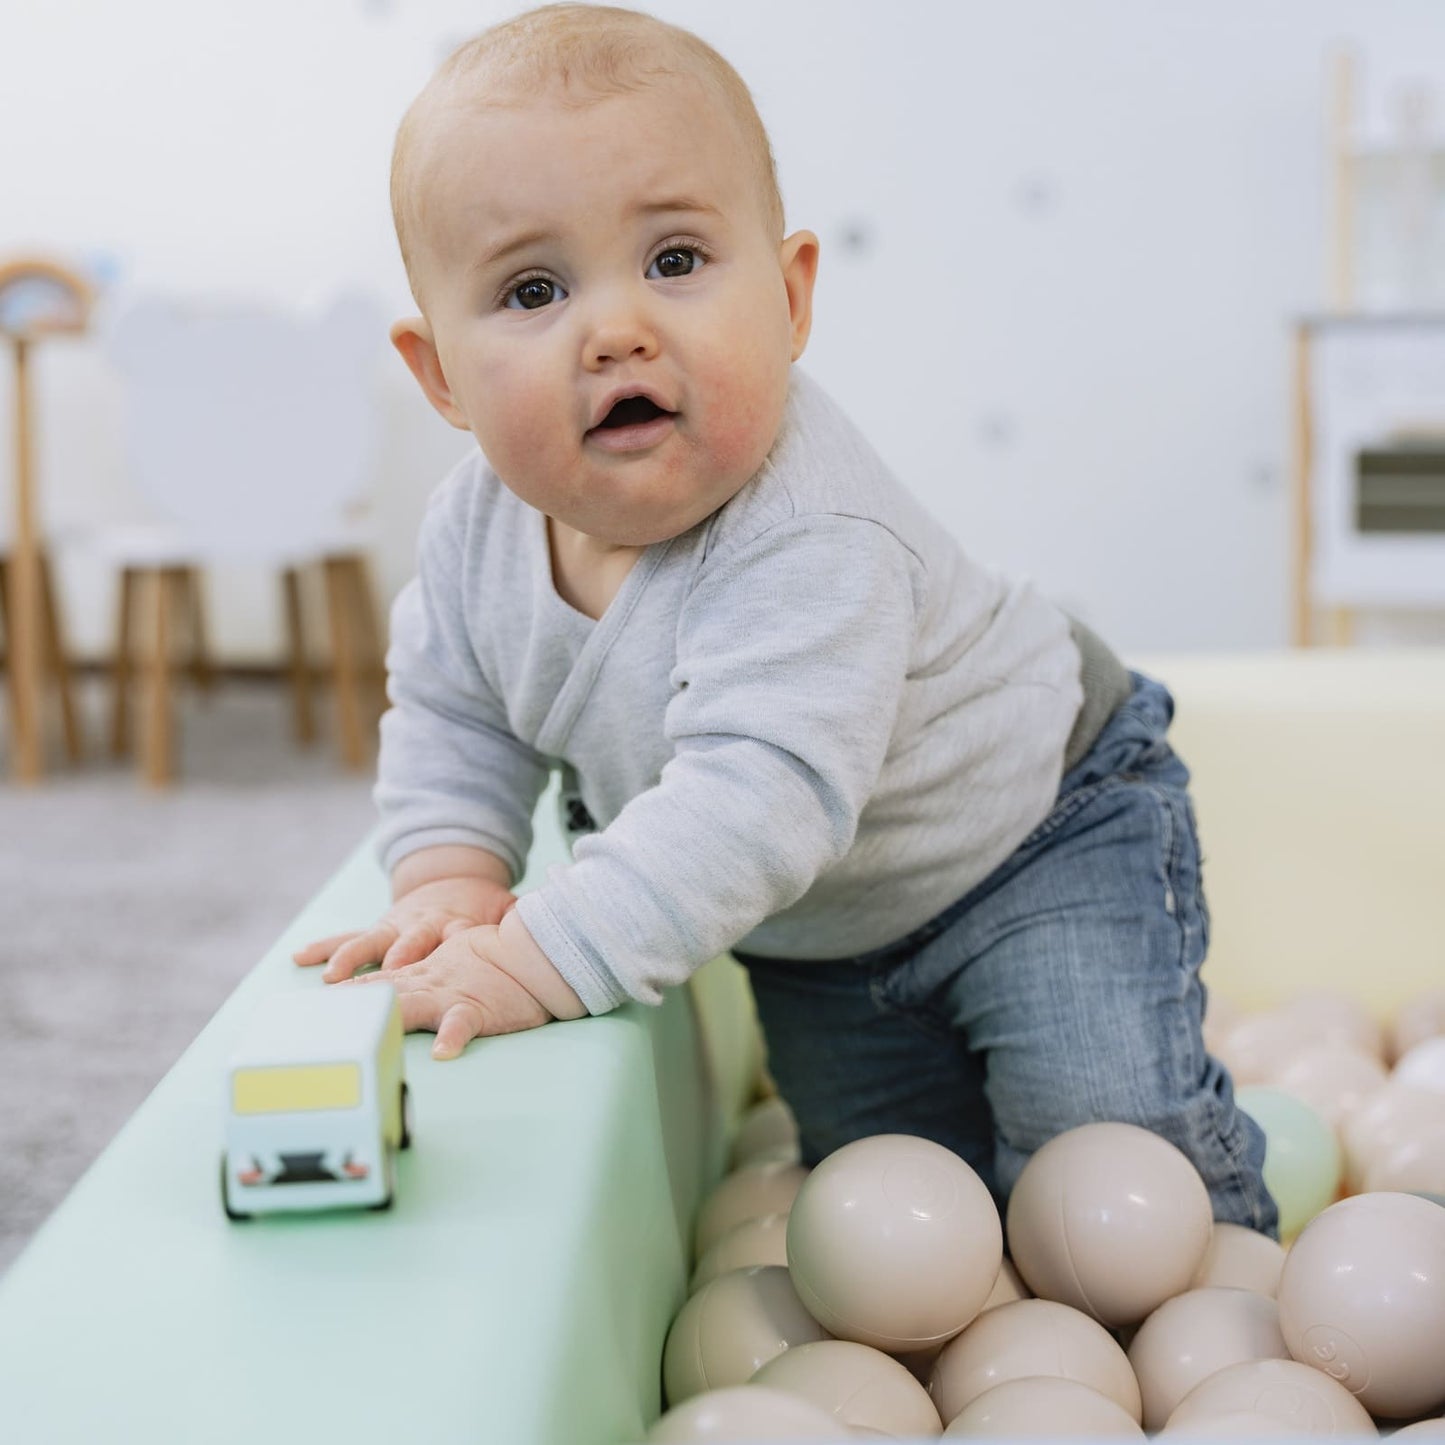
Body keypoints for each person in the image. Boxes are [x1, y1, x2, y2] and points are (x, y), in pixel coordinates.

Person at [295, 2, 1276, 1234]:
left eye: (674, 260)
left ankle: (1234, 1272)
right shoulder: (471, 537)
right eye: (533, 288)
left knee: (1111, 1177)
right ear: (439, 373)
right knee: (890, 1208)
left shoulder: (805, 529)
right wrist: (450, 871)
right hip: (816, 932)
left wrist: (538, 953)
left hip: (1034, 834)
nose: (616, 328)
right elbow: (456, 710)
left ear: (791, 294)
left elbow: (757, 796)